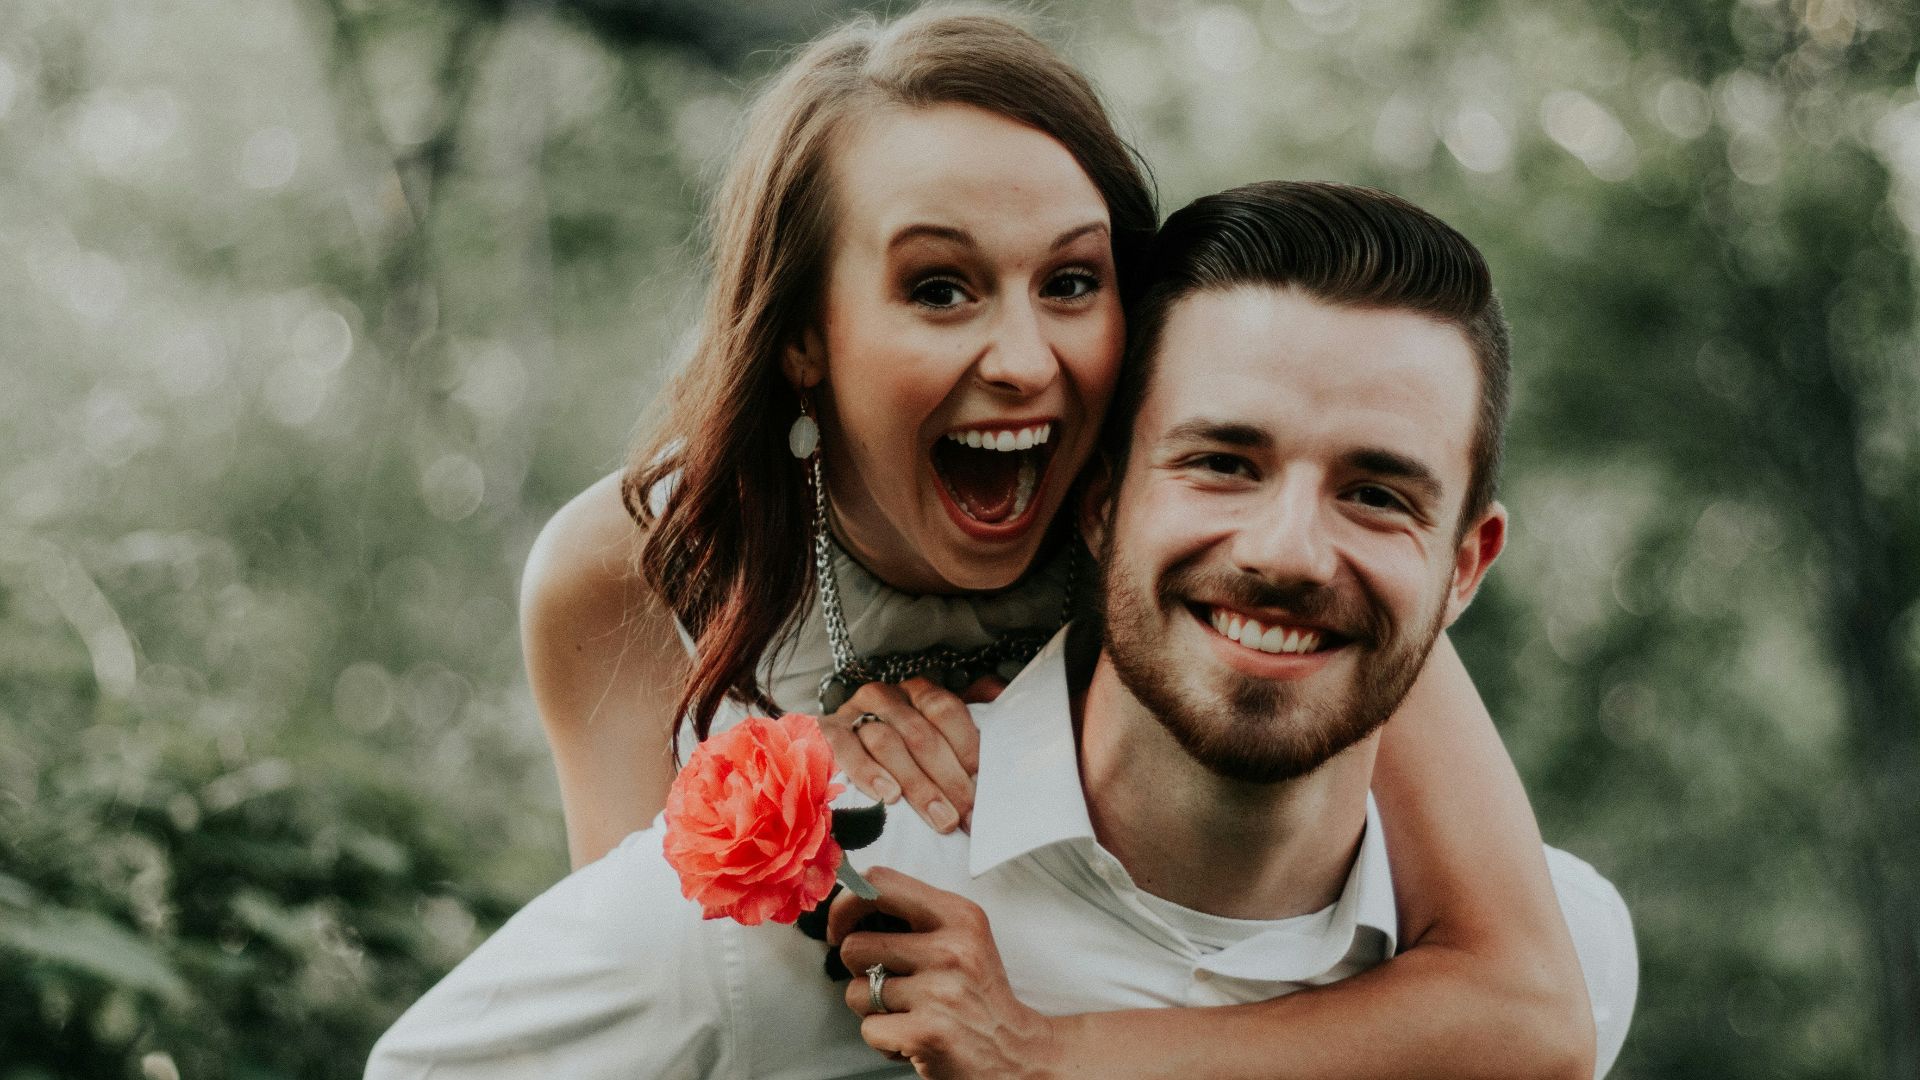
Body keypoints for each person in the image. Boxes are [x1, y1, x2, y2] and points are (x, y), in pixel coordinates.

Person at [518, 7, 1597, 1073]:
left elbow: (1529, 1007)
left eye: (1073, 282)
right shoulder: (628, 574)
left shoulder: (1224, 546)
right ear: (804, 332)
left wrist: (1052, 1057)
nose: (1026, 360)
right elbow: (635, 1011)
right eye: (940, 289)